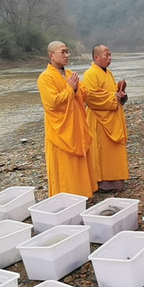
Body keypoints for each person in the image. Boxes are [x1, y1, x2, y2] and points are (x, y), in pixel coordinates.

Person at [36, 41, 98, 198]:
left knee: (79, 162)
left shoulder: (70, 74)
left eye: (67, 52)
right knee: (64, 166)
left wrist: (76, 89)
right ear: (52, 55)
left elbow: (84, 95)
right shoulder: (45, 78)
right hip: (60, 130)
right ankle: (66, 198)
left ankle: (83, 193)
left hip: (76, 126)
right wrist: (70, 88)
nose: (67, 55)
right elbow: (52, 102)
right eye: (62, 52)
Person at [83, 44, 129, 191]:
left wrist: (121, 94)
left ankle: (117, 180)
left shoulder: (108, 73)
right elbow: (91, 97)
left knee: (114, 151)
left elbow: (112, 92)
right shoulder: (90, 74)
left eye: (110, 55)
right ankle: (103, 183)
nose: (109, 58)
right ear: (96, 57)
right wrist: (113, 97)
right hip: (98, 120)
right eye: (106, 55)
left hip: (112, 117)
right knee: (102, 152)